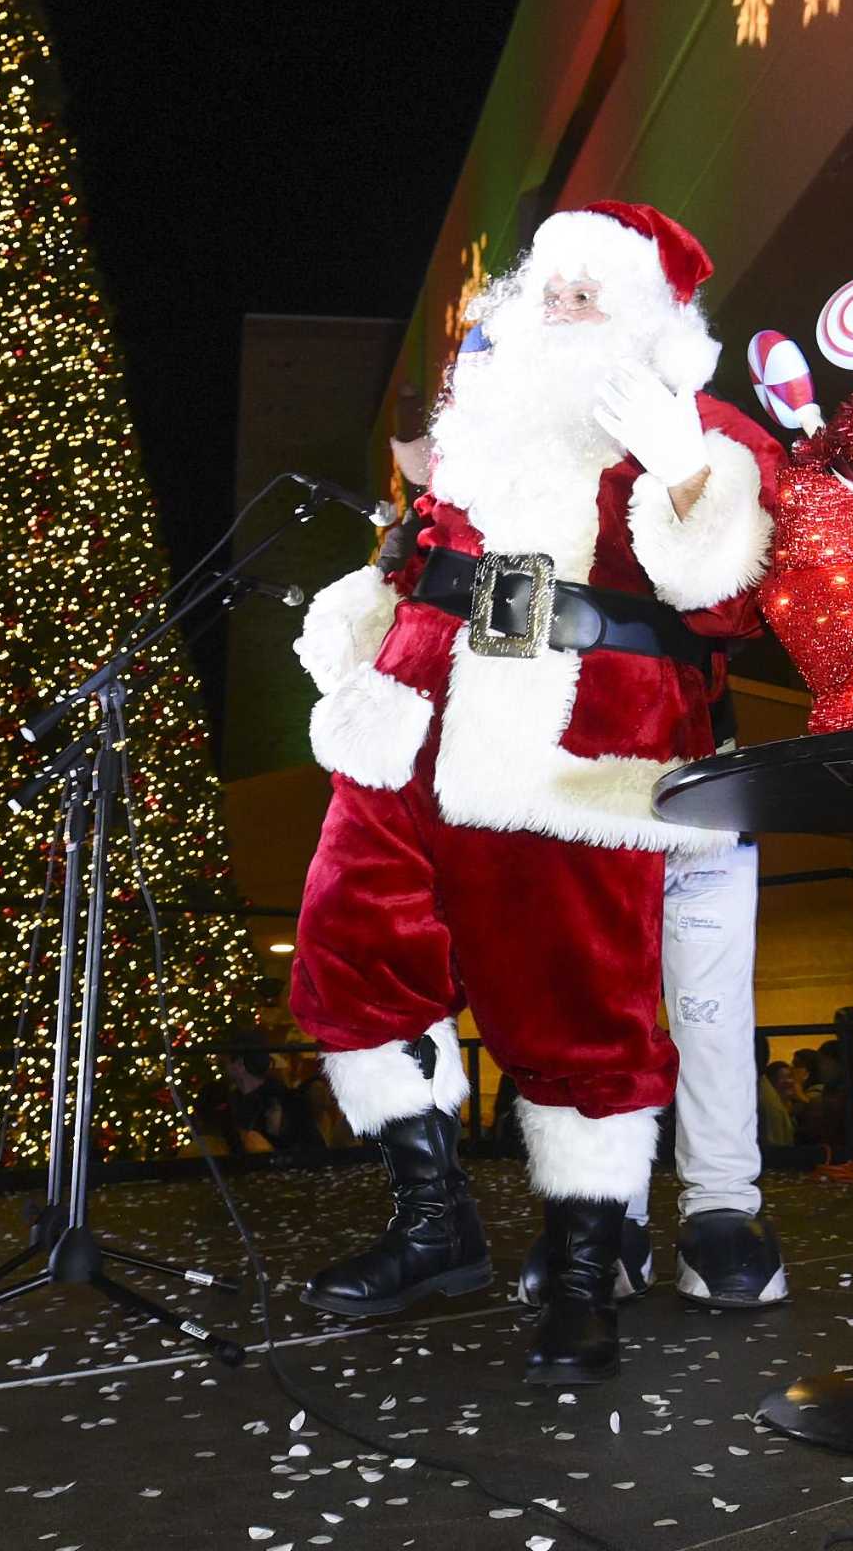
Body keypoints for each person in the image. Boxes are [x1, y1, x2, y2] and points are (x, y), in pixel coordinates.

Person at [288, 200, 782, 1384]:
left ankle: (578, 1265)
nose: (558, 310)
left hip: (568, 748)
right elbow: (423, 562)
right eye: (547, 290)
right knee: (347, 953)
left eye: (587, 294)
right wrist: (361, 618)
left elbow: (727, 603)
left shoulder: (694, 424)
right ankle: (434, 1220)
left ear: (652, 319)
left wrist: (685, 477)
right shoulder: (480, 427)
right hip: (409, 722)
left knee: (576, 1003)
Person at [223, 1044, 325, 1156]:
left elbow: (309, 1151)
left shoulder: (281, 1101)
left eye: (227, 1061)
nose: (224, 1065)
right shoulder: (234, 1101)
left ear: (240, 1065)